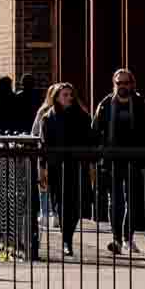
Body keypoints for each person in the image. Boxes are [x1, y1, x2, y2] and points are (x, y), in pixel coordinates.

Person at [93, 67, 145, 253]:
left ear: (132, 84)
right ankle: (117, 239)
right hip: (112, 161)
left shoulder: (140, 103)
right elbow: (96, 131)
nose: (122, 86)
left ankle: (128, 238)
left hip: (134, 160)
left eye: (126, 83)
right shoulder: (105, 105)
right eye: (119, 83)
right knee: (115, 201)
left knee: (133, 201)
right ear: (114, 84)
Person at [39, 80, 94, 253]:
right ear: (56, 98)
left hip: (78, 165)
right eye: (65, 95)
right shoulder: (49, 118)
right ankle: (66, 240)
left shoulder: (82, 116)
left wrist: (91, 163)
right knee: (61, 203)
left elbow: (90, 140)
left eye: (71, 95)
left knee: (77, 204)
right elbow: (44, 144)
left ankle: (68, 236)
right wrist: (43, 168)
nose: (69, 98)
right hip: (57, 166)